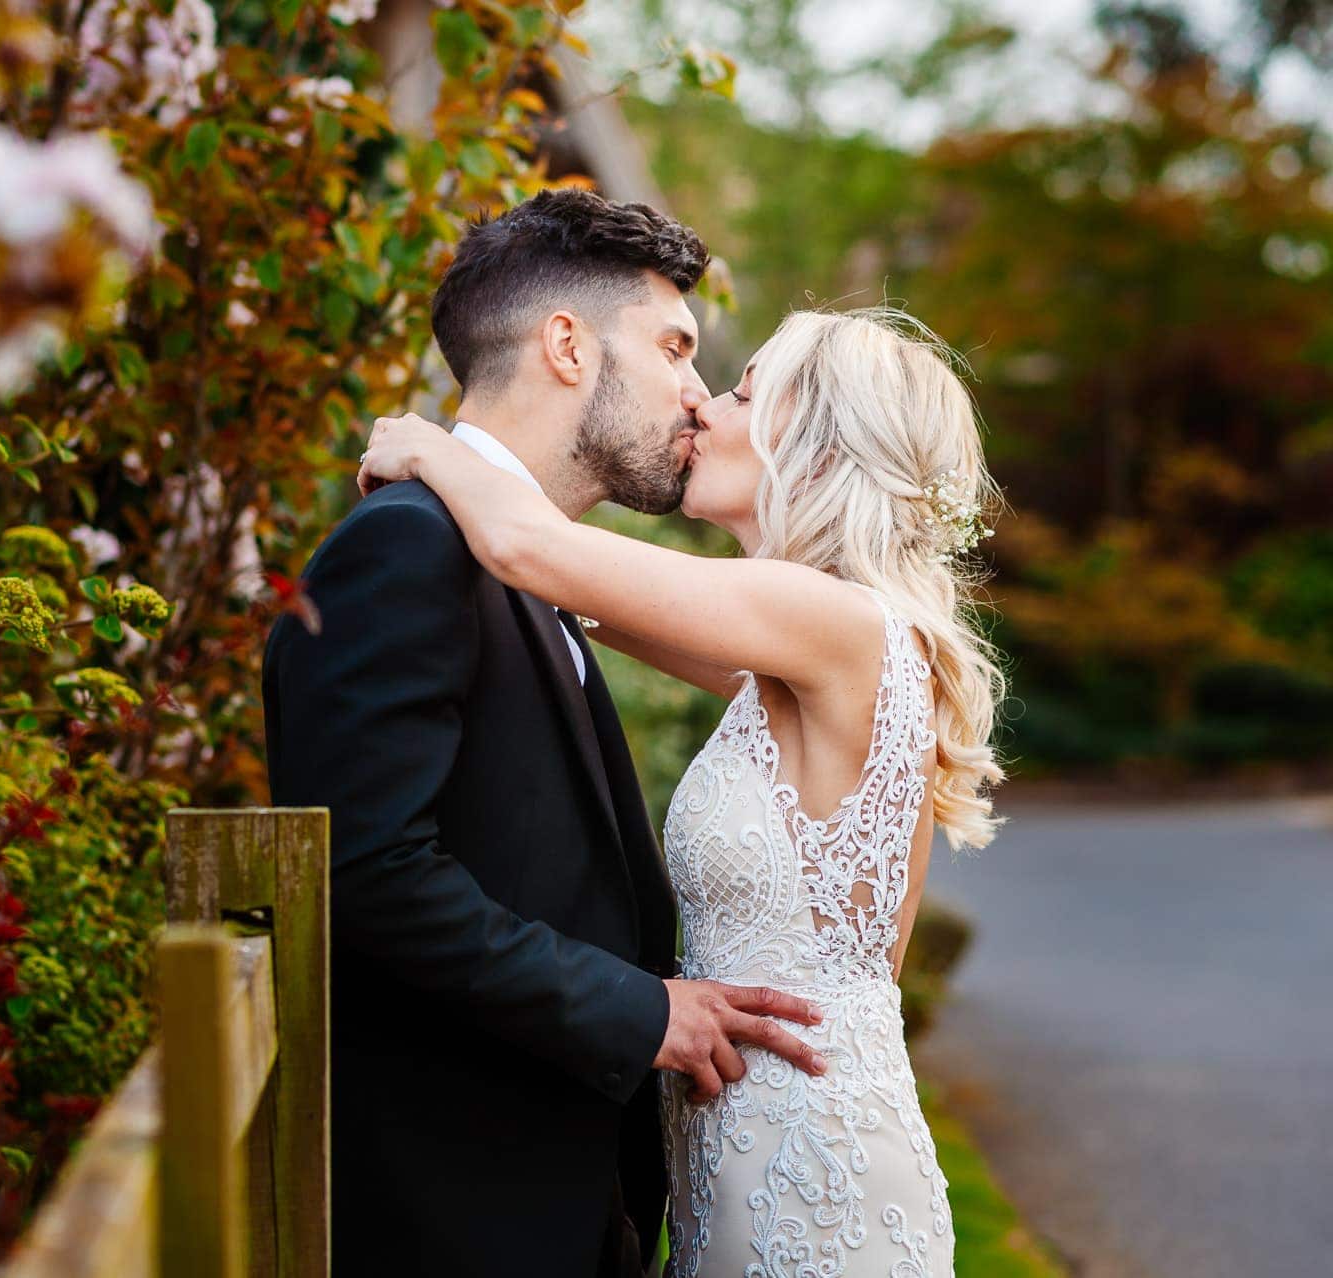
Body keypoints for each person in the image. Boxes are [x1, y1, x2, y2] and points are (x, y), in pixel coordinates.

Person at [355, 298, 1008, 1277]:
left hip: (808, 1161)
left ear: (809, 439)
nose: (703, 406)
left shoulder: (826, 620)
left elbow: (535, 554)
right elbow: (580, 601)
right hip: (755, 1135)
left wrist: (433, 447)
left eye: (743, 393)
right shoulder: (811, 651)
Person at [263, 188, 831, 1278]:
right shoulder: (407, 550)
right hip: (458, 1210)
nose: (696, 394)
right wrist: (637, 1013)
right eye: (674, 347)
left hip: (562, 1194)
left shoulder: (516, 566)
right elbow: (368, 869)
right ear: (566, 345)